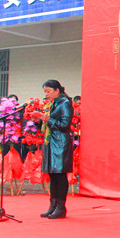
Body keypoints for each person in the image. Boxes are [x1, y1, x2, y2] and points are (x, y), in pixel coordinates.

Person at [36, 80, 74, 219]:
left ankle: (61, 207)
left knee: (60, 174)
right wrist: (39, 120)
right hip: (51, 141)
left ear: (57, 90)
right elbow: (49, 122)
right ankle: (53, 205)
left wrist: (48, 119)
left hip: (61, 143)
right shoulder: (52, 104)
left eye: (48, 91)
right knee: (52, 174)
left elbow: (65, 124)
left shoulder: (65, 103)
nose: (46, 94)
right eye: (45, 92)